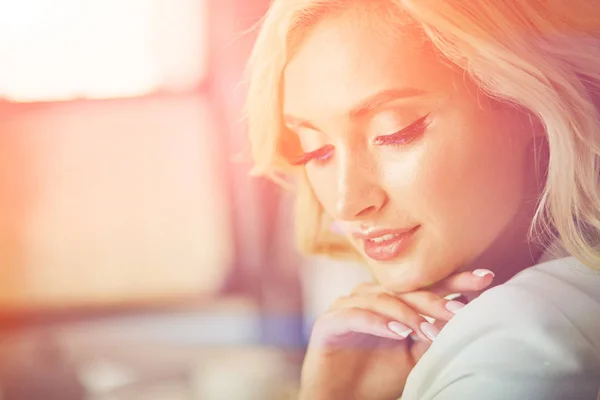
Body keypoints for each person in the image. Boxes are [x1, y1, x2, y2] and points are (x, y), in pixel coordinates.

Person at [244, 0, 600, 399]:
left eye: (396, 132)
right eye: (317, 151)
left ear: (527, 102)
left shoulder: (517, 345)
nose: (346, 204)